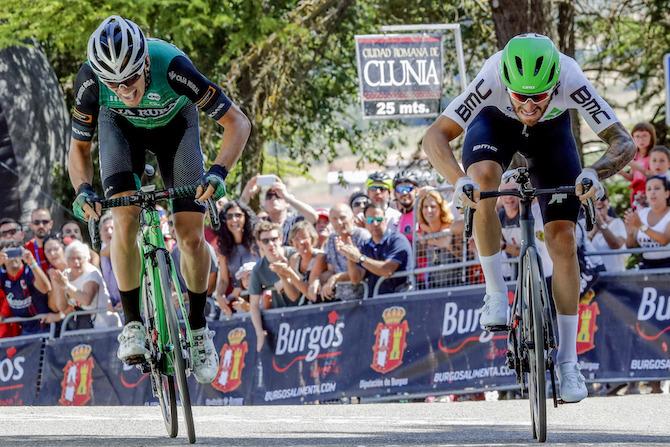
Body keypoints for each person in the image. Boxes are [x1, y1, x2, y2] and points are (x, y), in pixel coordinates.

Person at [422, 33, 636, 403]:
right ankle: (495, 293)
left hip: (552, 138)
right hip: (494, 126)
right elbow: (435, 136)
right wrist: (458, 181)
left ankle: (569, 363)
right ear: (507, 82)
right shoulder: (492, 75)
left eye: (540, 96)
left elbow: (623, 141)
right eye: (522, 96)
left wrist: (594, 175)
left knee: (562, 238)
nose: (531, 104)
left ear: (555, 82)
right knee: (482, 181)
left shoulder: (570, 75)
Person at [68, 15, 251, 383]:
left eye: (131, 79)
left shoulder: (173, 66)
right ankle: (133, 324)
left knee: (189, 234)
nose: (124, 90)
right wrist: (83, 190)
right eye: (113, 83)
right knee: (124, 219)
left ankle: (199, 330)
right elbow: (79, 149)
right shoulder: (90, 81)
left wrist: (218, 172)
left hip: (175, 130)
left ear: (145, 64)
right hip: (120, 132)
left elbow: (238, 123)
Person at [338, 204, 412, 296]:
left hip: (400, 299)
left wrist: (360, 258)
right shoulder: (365, 245)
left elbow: (387, 270)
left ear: (385, 220)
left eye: (378, 219)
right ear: (365, 222)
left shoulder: (397, 240)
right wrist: (350, 256)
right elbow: (355, 279)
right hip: (375, 301)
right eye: (370, 220)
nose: (375, 223)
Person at [248, 221, 299, 352]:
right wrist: (259, 333)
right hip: (279, 324)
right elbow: (253, 305)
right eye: (265, 241)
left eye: (274, 239)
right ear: (259, 243)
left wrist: (284, 274)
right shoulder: (258, 269)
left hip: (303, 316)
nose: (271, 244)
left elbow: (295, 294)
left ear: (281, 239)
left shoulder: (294, 255)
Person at [50, 241, 120, 329]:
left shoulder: (92, 273)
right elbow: (62, 307)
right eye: (72, 258)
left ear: (87, 259)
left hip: (105, 326)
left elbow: (86, 300)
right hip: (85, 326)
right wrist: (58, 284)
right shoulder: (66, 275)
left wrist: (65, 285)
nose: (76, 262)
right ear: (67, 260)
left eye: (79, 258)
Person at [240, 175, 318, 244]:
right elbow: (237, 215)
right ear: (264, 204)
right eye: (269, 196)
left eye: (278, 195)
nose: (273, 198)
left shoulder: (295, 221)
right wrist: (247, 193)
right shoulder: (260, 223)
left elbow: (313, 217)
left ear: (287, 203)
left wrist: (286, 196)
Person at [214, 201, 258, 316]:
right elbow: (224, 280)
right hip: (239, 303)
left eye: (238, 215)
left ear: (246, 217)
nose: (234, 220)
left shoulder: (257, 241)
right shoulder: (224, 247)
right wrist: (219, 295)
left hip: (260, 297)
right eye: (229, 216)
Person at [321, 204, 370, 301]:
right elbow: (331, 270)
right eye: (334, 219)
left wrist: (336, 278)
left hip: (363, 297)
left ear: (352, 218)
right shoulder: (332, 239)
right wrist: (319, 282)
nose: (339, 222)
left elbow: (360, 273)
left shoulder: (362, 236)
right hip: (339, 298)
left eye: (342, 218)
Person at [0, 246, 53, 334]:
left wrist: (32, 262)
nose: (12, 258)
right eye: (8, 254)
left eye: (16, 253)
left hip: (43, 325)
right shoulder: (2, 275)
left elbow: (46, 289)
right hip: (24, 328)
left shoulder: (29, 270)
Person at [624, 176, 670, 269]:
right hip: (646, 265)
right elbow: (630, 246)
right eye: (649, 189)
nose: (652, 192)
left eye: (657, 188)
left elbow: (664, 240)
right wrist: (630, 232)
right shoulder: (641, 214)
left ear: (667, 193)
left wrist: (641, 226)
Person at [586, 192, 627, 272]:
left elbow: (616, 245)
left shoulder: (617, 223)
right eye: (595, 198)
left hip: (615, 274)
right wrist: (593, 232)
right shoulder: (586, 225)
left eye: (603, 198)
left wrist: (601, 224)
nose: (599, 201)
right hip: (595, 276)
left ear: (608, 202)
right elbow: (583, 248)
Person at [287, 221, 327, 303]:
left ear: (312, 239)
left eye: (304, 237)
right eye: (296, 239)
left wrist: (290, 274)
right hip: (304, 306)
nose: (301, 242)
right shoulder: (294, 259)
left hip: (324, 304)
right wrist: (283, 276)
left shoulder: (319, 257)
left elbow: (310, 293)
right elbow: (293, 296)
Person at [620, 122, 656, 206]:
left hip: (650, 193)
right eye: (637, 136)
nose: (641, 139)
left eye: (644, 136)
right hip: (636, 194)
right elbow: (632, 178)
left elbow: (654, 175)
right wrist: (621, 172)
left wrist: (633, 165)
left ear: (651, 137)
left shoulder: (654, 155)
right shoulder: (635, 155)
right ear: (633, 138)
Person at [98, 213, 121, 309]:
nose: (109, 232)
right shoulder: (99, 254)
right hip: (112, 305)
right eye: (105, 229)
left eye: (112, 228)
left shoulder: (127, 248)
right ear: (100, 234)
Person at [393, 171, 420, 242]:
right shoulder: (398, 218)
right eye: (400, 189)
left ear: (416, 190)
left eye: (408, 188)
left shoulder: (422, 214)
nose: (404, 193)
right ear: (395, 193)